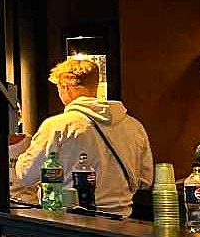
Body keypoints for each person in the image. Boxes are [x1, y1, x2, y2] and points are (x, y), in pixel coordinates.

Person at [10, 54, 154, 216]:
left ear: (65, 87)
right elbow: (145, 180)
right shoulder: (134, 126)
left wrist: (21, 158)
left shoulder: (58, 126)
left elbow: (26, 175)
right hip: (122, 222)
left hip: (71, 223)